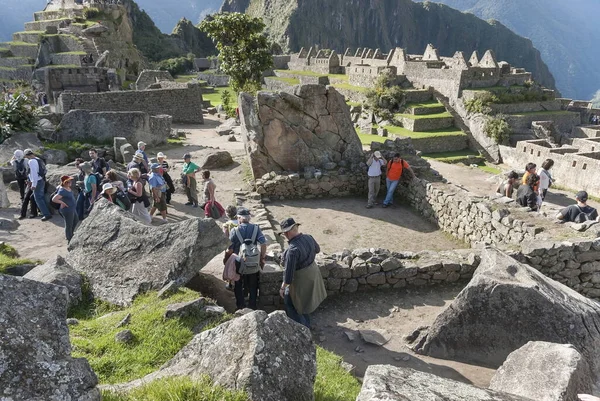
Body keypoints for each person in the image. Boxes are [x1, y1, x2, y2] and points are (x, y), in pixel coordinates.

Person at [278, 218, 327, 328]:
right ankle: (306, 323)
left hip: (301, 280)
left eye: (284, 233)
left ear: (287, 232)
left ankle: (301, 329)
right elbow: (317, 250)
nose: (284, 235)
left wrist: (282, 288)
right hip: (313, 273)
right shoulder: (309, 237)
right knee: (306, 302)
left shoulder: (292, 250)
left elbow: (289, 276)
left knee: (291, 303)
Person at [228, 208, 267, 310]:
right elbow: (263, 243)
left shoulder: (234, 230)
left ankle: (241, 306)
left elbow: (230, 249)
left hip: (239, 262)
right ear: (249, 218)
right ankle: (252, 305)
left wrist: (227, 259)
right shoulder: (256, 228)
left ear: (239, 218)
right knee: (253, 284)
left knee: (238, 283)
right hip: (253, 261)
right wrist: (262, 257)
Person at [23, 149, 52, 221]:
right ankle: (44, 212)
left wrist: (33, 184)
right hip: (41, 179)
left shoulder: (31, 161)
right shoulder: (38, 159)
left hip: (37, 181)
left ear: (27, 155)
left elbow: (34, 174)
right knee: (41, 197)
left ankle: (46, 214)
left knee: (38, 198)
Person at [52, 175, 79, 241]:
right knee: (69, 224)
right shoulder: (62, 190)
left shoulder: (67, 187)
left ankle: (71, 233)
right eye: (69, 181)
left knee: (76, 220)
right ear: (65, 182)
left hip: (72, 208)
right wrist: (62, 203)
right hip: (67, 210)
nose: (71, 182)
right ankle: (69, 237)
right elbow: (54, 199)